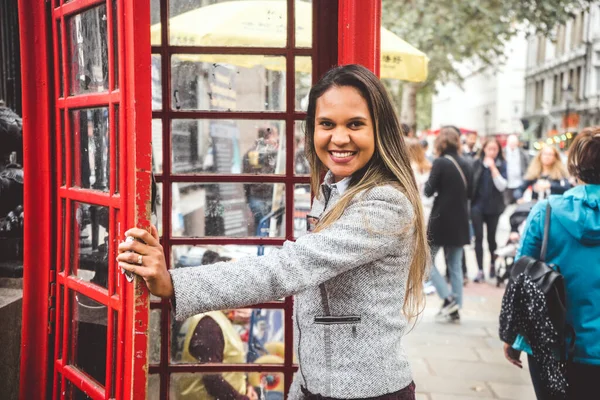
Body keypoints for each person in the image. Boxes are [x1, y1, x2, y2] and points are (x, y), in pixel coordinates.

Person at [117, 64, 428, 399]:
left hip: (369, 393)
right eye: (326, 124)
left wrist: (174, 283)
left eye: (355, 124)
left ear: (379, 129)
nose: (339, 138)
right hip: (317, 388)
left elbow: (289, 267)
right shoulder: (333, 189)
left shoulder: (385, 203)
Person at [502, 127, 600, 399]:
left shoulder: (546, 211)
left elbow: (521, 275)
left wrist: (514, 336)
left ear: (574, 166)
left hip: (552, 343)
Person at [424, 126, 472, 322]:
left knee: (426, 262)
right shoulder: (468, 164)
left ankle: (448, 299)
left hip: (440, 219)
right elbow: (472, 194)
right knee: (455, 266)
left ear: (441, 143)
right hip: (461, 219)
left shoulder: (440, 163)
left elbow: (428, 190)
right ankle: (456, 308)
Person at [470, 137, 507, 282]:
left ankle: (492, 264)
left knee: (492, 239)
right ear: (484, 149)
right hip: (477, 206)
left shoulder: (502, 164)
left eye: (495, 149)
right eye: (489, 149)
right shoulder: (476, 163)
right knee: (478, 238)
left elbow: (502, 185)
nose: (492, 152)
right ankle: (480, 270)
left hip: (494, 207)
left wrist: (493, 168)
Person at [242, 125, 280, 233]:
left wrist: (247, 199)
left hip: (254, 196)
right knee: (268, 228)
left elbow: (245, 178)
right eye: (275, 135)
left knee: (261, 225)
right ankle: (265, 248)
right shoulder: (273, 154)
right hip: (270, 196)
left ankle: (261, 246)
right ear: (269, 136)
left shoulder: (249, 153)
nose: (276, 139)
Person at [503, 134, 529, 205]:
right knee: (507, 205)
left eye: (514, 143)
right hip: (506, 184)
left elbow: (527, 167)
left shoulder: (523, 153)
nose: (512, 145)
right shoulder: (503, 152)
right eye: (511, 143)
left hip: (519, 183)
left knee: (519, 204)